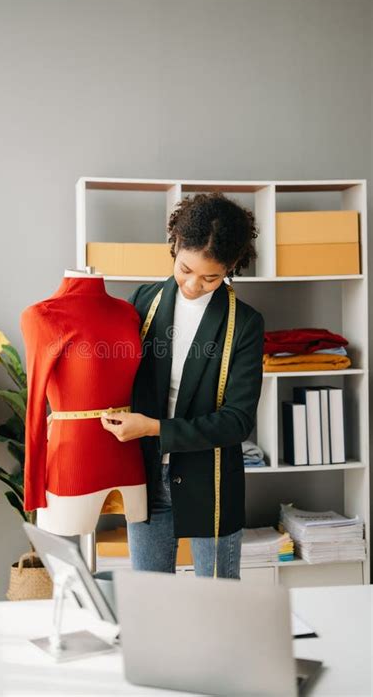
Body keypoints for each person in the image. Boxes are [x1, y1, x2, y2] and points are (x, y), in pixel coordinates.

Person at [101, 192, 264, 578]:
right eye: (185, 269)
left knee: (217, 606)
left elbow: (238, 421)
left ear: (232, 267)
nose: (193, 284)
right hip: (145, 472)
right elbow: (118, 376)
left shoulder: (244, 324)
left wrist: (156, 428)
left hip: (211, 479)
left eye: (211, 277)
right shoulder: (144, 300)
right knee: (151, 603)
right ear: (174, 246)